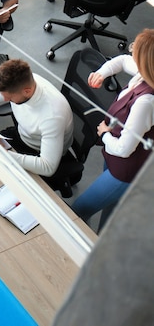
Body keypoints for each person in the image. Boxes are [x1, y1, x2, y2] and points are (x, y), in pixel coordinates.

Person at [72, 29, 154, 231]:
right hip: (115, 157)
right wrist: (102, 72)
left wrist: (104, 133)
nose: (131, 49)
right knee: (110, 208)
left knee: (78, 211)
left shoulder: (146, 102)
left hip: (125, 168)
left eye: (136, 49)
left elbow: (125, 149)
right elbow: (122, 61)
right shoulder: (145, 73)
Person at [0, 59, 74, 191]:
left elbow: (47, 167)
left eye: (9, 98)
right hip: (22, 135)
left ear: (27, 91)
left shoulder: (52, 116)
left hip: (39, 152)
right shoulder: (19, 84)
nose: (5, 100)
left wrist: (1, 154)